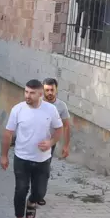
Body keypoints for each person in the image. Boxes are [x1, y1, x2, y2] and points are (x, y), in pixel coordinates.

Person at [0, 79, 63, 218]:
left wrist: (51, 142)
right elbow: (8, 133)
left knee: (40, 192)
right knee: (21, 189)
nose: (27, 95)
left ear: (40, 94)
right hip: (21, 158)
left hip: (42, 159)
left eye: (32, 93)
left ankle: (32, 201)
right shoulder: (18, 109)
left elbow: (59, 129)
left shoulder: (50, 110)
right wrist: (4, 155)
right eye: (26, 92)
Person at [39, 77, 71, 206]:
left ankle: (39, 194)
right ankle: (34, 192)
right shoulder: (37, 102)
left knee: (44, 169)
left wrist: (66, 145)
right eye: (47, 90)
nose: (50, 93)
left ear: (56, 90)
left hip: (50, 143)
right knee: (33, 168)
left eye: (52, 90)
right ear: (43, 90)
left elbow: (67, 126)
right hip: (34, 141)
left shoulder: (61, 106)